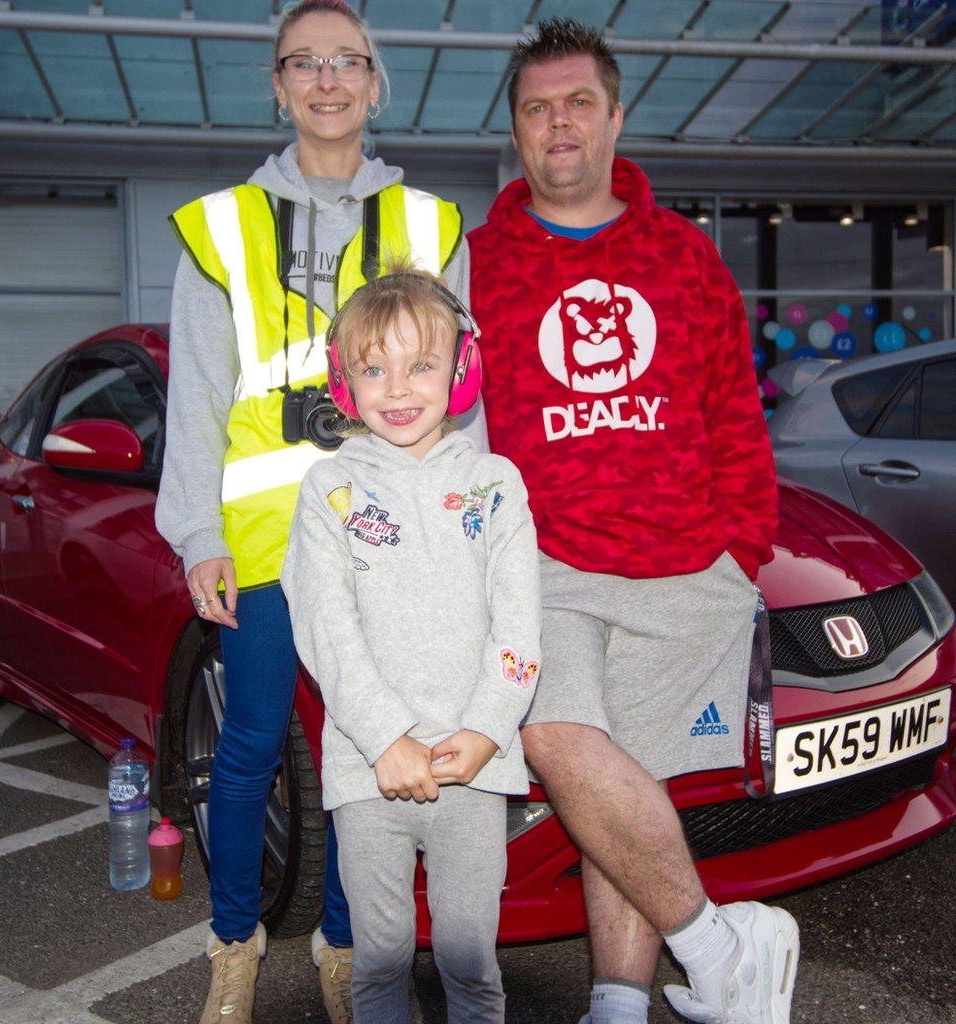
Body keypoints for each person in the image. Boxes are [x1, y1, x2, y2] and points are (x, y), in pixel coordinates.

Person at [466, 18, 799, 1024]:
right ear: (516, 133)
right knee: (562, 738)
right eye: (536, 109)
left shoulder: (685, 257)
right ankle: (720, 944)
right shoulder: (474, 264)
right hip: (548, 566)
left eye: (577, 103)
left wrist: (742, 548)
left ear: (615, 115)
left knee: (628, 798)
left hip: (687, 568)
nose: (557, 124)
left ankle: (617, 1004)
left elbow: (735, 412)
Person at [155, 3, 481, 1022]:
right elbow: (197, 396)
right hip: (262, 538)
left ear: (376, 84)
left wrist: (464, 527)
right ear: (279, 84)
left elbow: (462, 392)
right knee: (252, 745)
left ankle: (347, 947)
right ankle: (234, 946)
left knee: (359, 746)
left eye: (349, 62)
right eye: (306, 63)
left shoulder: (430, 226)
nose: (328, 80)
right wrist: (196, 536)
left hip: (388, 534)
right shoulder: (220, 228)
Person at [280, 268, 541, 1024]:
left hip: (474, 768)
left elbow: (519, 629)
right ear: (344, 382)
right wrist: (386, 738)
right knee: (380, 962)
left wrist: (489, 728)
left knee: (471, 964)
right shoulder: (328, 488)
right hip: (368, 771)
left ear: (461, 373)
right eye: (373, 367)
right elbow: (326, 627)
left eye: (421, 364)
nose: (397, 387)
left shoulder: (497, 484)